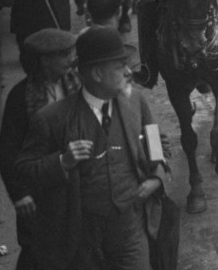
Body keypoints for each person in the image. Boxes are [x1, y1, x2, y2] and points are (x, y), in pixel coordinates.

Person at [14, 26, 170, 270]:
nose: (128, 72)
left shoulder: (136, 102)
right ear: (97, 73)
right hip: (81, 236)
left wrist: (158, 177)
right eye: (120, 67)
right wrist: (61, 162)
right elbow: (23, 170)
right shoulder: (52, 119)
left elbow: (155, 141)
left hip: (129, 227)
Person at [0, 28, 79, 270]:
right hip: (37, 192)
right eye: (64, 55)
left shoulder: (75, 84)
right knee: (37, 252)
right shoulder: (20, 96)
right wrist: (19, 193)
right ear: (44, 60)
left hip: (73, 185)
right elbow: (9, 150)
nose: (70, 60)